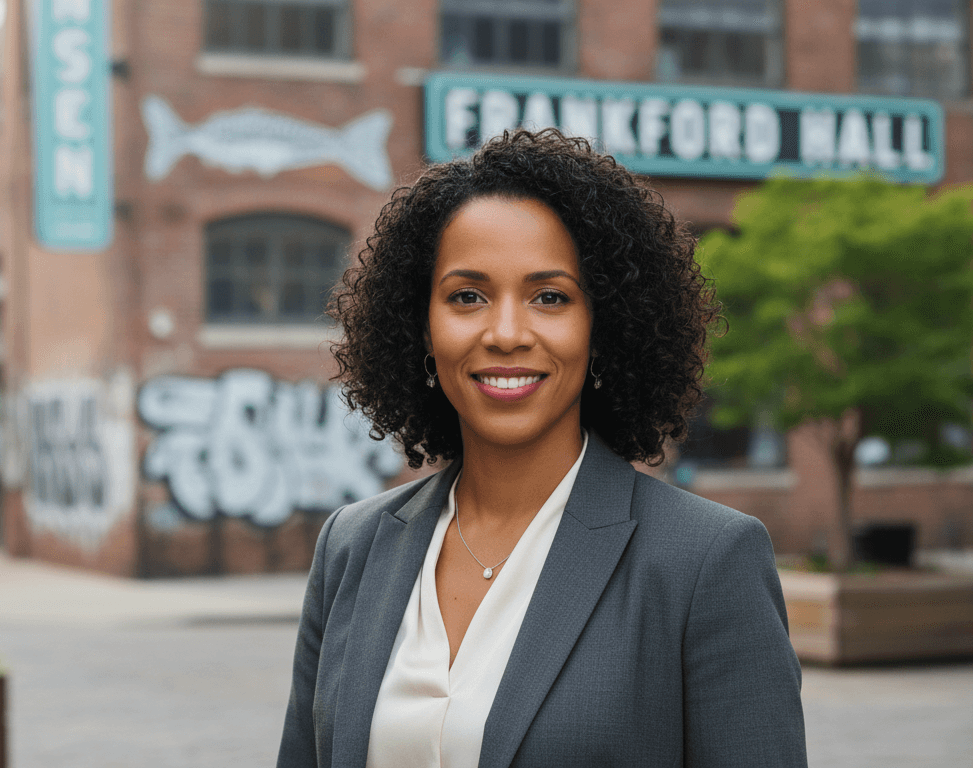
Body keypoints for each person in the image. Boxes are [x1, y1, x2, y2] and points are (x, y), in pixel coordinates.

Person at [276, 129, 807, 768]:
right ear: (422, 325)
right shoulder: (352, 547)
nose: (505, 333)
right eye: (467, 296)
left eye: (550, 297)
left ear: (603, 323)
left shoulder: (704, 562)